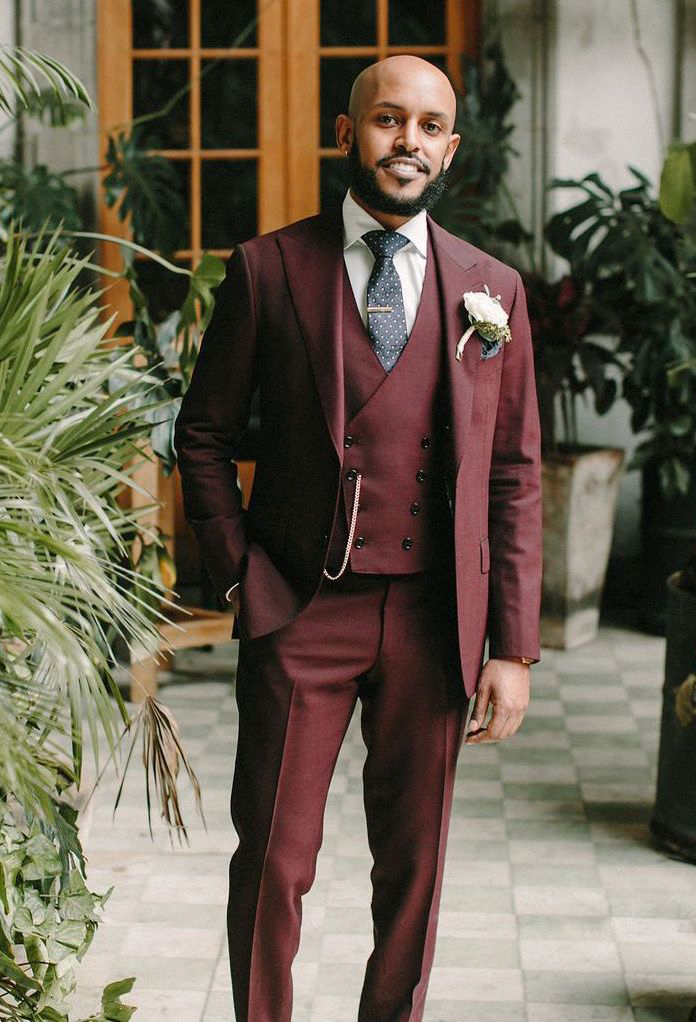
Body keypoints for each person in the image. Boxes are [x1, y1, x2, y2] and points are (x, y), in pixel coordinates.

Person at [173, 53, 542, 1022]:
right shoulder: (268, 268)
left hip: (434, 619)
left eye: (428, 127)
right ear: (348, 132)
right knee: (275, 858)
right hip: (300, 605)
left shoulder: (492, 287)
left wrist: (514, 644)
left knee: (414, 869)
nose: (406, 143)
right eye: (388, 120)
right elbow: (202, 434)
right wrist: (238, 569)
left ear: (450, 149)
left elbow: (515, 472)